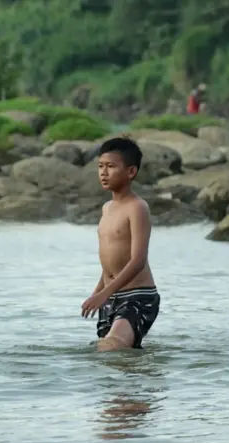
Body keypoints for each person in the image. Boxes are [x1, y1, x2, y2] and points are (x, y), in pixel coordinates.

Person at [81, 138, 160, 351]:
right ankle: (139, 379)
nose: (103, 173)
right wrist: (98, 292)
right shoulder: (107, 208)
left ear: (131, 171)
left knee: (111, 347)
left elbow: (137, 260)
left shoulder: (137, 207)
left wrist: (104, 294)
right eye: (100, 166)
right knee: (116, 356)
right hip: (111, 296)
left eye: (111, 166)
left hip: (137, 295)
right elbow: (111, 263)